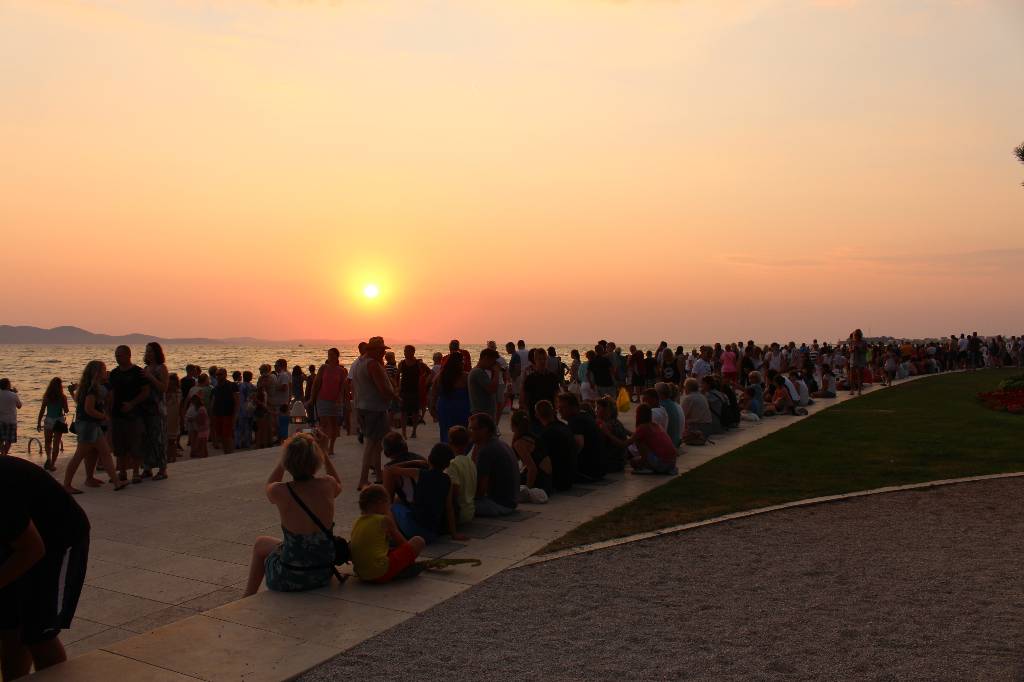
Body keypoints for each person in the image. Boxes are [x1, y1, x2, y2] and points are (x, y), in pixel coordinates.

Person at [0, 456, 90, 679]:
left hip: (58, 537)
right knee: (9, 624)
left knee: (40, 631)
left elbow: (33, 549)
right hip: (16, 538)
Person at [244, 432, 343, 596]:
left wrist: (285, 454)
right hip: (323, 572)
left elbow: (269, 485)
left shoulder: (281, 491)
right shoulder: (328, 485)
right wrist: (324, 452)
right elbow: (338, 483)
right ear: (316, 461)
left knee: (261, 543)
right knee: (290, 545)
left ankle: (247, 595)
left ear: (287, 461)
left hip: (290, 576)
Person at [61, 361, 128, 493]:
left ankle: (98, 480)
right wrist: (103, 416)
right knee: (82, 455)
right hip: (88, 425)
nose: (106, 372)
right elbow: (89, 409)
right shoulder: (92, 389)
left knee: (101, 453)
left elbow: (81, 405)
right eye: (104, 370)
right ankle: (67, 485)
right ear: (97, 373)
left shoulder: (87, 387)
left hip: (89, 425)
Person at [384, 443, 466, 544]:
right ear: (447, 464)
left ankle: (393, 537)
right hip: (432, 534)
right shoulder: (447, 480)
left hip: (413, 531)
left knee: (392, 506)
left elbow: (389, 469)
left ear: (429, 458)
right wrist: (454, 534)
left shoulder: (418, 473)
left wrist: (415, 462)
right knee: (401, 502)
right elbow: (449, 508)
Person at [350, 484, 425, 583]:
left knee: (389, 550)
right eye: (388, 503)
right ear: (380, 503)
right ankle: (400, 572)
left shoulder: (358, 521)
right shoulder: (384, 520)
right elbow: (403, 544)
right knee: (418, 541)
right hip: (379, 573)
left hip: (362, 574)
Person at [351, 337, 399, 490]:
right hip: (375, 409)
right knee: (371, 444)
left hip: (363, 407)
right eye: (382, 350)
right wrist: (396, 396)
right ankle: (363, 479)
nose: (384, 353)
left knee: (376, 444)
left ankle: (379, 476)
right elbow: (383, 389)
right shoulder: (372, 365)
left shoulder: (359, 363)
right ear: (373, 350)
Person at [108, 346, 149, 484]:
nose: (117, 358)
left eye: (119, 355)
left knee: (135, 444)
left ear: (128, 355)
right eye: (116, 355)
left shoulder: (138, 372)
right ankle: (122, 472)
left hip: (134, 415)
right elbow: (111, 394)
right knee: (119, 446)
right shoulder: (113, 373)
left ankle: (136, 473)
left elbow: (145, 392)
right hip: (117, 415)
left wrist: (132, 404)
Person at [469, 412, 518, 516]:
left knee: (459, 506)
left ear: (485, 430)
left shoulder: (486, 451)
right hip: (511, 502)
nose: (470, 432)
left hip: (498, 505)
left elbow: (481, 491)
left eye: (473, 429)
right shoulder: (500, 444)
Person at [557, 392, 606, 482]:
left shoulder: (576, 420)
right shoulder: (584, 415)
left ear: (574, 407)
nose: (560, 411)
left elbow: (578, 445)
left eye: (563, 407)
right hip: (599, 468)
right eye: (559, 408)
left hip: (589, 470)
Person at [309, 348, 347, 456]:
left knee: (334, 425)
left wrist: (340, 398)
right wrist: (312, 398)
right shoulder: (323, 368)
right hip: (322, 400)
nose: (329, 356)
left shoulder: (341, 370)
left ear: (337, 356)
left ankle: (331, 447)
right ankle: (323, 446)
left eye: (331, 354)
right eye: (328, 354)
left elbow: (343, 387)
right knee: (324, 424)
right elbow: (316, 384)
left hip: (335, 401)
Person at [139, 342, 169, 480]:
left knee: (159, 438)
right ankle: (147, 467)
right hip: (145, 408)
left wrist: (150, 377)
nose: (148, 353)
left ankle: (163, 469)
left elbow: (163, 388)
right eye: (147, 351)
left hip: (157, 408)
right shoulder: (145, 368)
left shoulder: (161, 368)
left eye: (151, 351)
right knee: (146, 439)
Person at [535, 400, 576, 491]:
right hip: (570, 477)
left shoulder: (546, 434)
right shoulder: (565, 427)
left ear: (537, 415)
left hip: (558, 480)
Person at [625, 404, 678, 474]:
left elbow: (625, 444)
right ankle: (647, 464)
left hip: (662, 464)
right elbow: (635, 435)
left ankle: (646, 467)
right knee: (636, 457)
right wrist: (624, 431)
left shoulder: (643, 428)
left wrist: (609, 434)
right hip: (672, 463)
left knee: (633, 461)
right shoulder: (656, 425)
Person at [430, 351, 470, 444]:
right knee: (462, 437)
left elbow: (433, 395)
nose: (464, 363)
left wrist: (432, 410)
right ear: (458, 363)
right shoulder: (465, 377)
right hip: (462, 410)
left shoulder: (440, 376)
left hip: (445, 410)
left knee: (447, 435)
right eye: (462, 361)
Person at [509, 410, 550, 496]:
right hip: (547, 479)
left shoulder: (520, 443)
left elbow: (532, 469)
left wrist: (527, 489)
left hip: (539, 480)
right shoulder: (532, 437)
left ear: (513, 424)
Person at [521, 349, 560, 432]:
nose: (542, 361)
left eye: (544, 359)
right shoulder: (530, 379)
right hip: (534, 417)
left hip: (550, 417)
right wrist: (527, 412)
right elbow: (524, 399)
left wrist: (556, 409)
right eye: (540, 359)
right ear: (535, 360)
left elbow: (556, 395)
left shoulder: (552, 377)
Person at [35, 378, 68, 471]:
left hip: (49, 420)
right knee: (56, 443)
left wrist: (38, 423)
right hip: (59, 421)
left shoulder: (47, 396)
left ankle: (48, 458)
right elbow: (66, 410)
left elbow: (42, 410)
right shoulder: (62, 397)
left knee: (47, 442)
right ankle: (52, 464)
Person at [445, 426, 476, 525]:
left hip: (459, 513)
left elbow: (454, 492)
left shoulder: (453, 464)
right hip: (470, 511)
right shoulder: (471, 462)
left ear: (450, 443)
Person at [397, 346, 427, 440]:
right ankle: (404, 432)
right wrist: (397, 387)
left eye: (406, 351)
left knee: (415, 412)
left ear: (412, 352)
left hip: (415, 391)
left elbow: (429, 372)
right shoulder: (402, 363)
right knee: (403, 412)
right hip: (404, 391)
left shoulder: (418, 363)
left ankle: (414, 431)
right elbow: (397, 375)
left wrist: (423, 382)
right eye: (404, 351)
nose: (405, 353)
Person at [595, 396, 630, 474]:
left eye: (598, 408)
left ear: (606, 410)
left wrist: (607, 433)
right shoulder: (616, 422)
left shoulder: (607, 425)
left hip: (612, 464)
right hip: (619, 462)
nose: (596, 411)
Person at [209, 368, 239, 455]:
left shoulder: (232, 385)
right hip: (218, 415)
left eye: (220, 374)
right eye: (217, 375)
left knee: (227, 435)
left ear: (225, 375)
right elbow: (212, 403)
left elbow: (237, 401)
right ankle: (226, 453)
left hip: (228, 414)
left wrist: (235, 415)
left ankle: (230, 453)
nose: (218, 376)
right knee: (221, 436)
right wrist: (211, 416)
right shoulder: (215, 389)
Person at [468, 348, 501, 423]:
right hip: (482, 414)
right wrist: (496, 372)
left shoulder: (480, 371)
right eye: (493, 361)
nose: (494, 364)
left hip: (483, 413)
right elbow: (493, 389)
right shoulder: (478, 372)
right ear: (486, 358)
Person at [655, 382, 684, 447]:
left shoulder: (661, 406)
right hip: (675, 441)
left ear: (659, 394)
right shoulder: (673, 404)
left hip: (669, 443)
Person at [0, 379, 22, 456]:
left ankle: (2, 453)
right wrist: (14, 393)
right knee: (8, 441)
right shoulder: (13, 395)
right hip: (11, 421)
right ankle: (4, 455)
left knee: (0, 440)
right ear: (7, 385)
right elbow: (19, 406)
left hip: (1, 421)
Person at [186, 394, 210, 458]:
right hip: (202, 428)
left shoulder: (201, 409)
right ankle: (203, 455)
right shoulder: (200, 408)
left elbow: (202, 420)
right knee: (203, 444)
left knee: (201, 444)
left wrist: (193, 419)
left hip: (202, 429)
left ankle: (200, 455)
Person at [165, 373, 182, 463]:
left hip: (174, 419)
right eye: (170, 384)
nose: (171, 386)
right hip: (166, 418)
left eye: (173, 384)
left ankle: (172, 457)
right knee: (167, 440)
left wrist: (182, 418)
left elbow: (180, 406)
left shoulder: (178, 393)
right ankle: (168, 457)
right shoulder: (164, 394)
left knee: (172, 440)